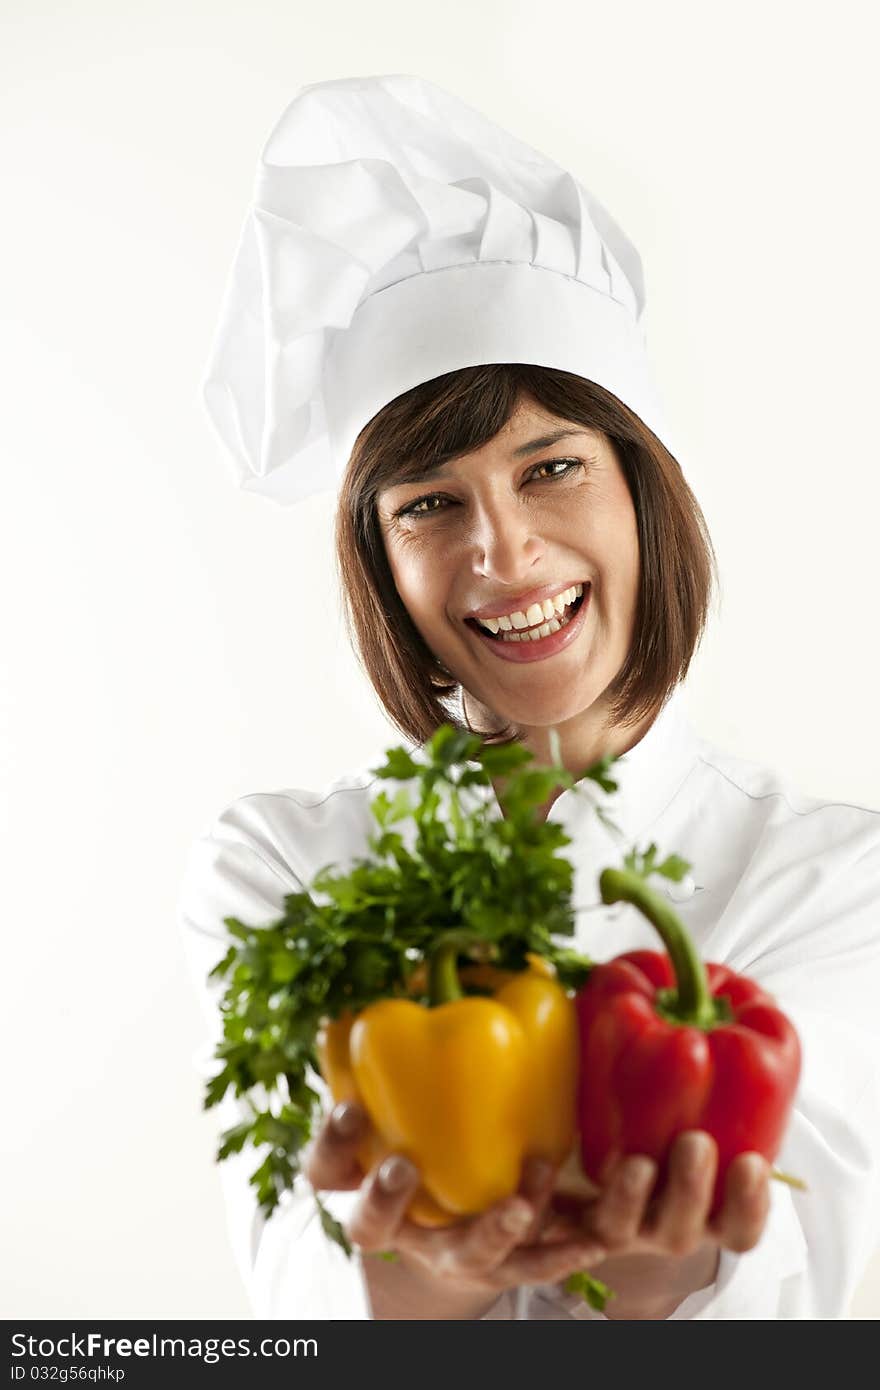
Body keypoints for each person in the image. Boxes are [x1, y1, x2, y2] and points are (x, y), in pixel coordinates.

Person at [179, 75, 880, 1319]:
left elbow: (801, 1280)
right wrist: (408, 1277)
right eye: (429, 504)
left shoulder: (831, 879)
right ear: (381, 564)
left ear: (641, 493)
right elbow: (286, 1291)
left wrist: (666, 1266)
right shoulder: (283, 867)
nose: (502, 553)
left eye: (549, 467)